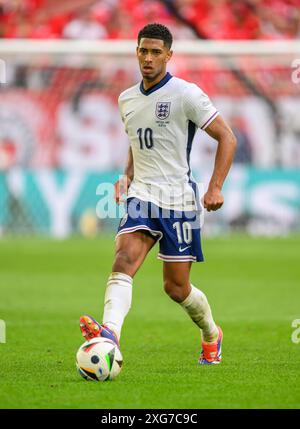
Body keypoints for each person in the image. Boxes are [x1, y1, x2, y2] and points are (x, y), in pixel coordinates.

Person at [80, 23, 237, 365]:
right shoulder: (127, 99)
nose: (148, 58)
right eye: (142, 51)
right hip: (142, 195)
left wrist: (215, 187)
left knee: (176, 288)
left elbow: (228, 137)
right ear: (136, 52)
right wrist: (126, 176)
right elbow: (138, 142)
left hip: (179, 200)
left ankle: (212, 333)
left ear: (169, 55)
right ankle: (110, 334)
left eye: (155, 52)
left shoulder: (186, 94)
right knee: (123, 260)